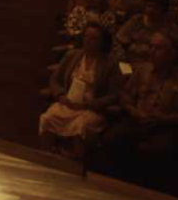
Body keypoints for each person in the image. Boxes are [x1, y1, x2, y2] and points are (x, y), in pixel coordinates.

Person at [106, 33, 178, 155]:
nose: (152, 52)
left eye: (159, 48)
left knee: (156, 150)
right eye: (151, 47)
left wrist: (167, 119)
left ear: (173, 53)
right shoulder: (142, 70)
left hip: (166, 127)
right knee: (112, 138)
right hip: (137, 121)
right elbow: (126, 95)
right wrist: (134, 112)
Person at [39, 23, 122, 159]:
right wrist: (60, 95)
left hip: (90, 109)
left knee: (81, 126)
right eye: (86, 37)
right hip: (68, 103)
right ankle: (46, 155)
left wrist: (89, 104)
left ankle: (76, 162)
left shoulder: (110, 64)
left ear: (102, 42)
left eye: (94, 38)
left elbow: (113, 95)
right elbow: (55, 79)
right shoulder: (72, 56)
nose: (88, 41)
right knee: (48, 117)